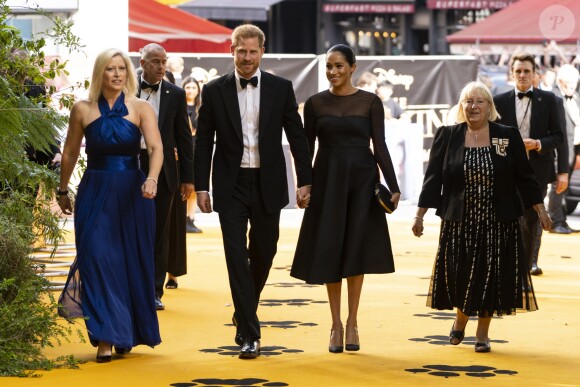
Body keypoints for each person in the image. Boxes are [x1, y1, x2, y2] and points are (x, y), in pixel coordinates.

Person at [194, 24, 313, 359]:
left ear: (262, 51)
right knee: (236, 257)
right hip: (230, 184)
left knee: (265, 252)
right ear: (231, 51)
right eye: (240, 51)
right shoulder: (214, 90)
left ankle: (243, 309)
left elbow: (297, 136)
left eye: (252, 51)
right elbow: (203, 142)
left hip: (268, 182)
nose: (246, 58)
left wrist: (306, 179)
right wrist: (201, 186)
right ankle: (250, 332)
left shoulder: (281, 88)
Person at [412, 81, 551, 353]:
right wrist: (420, 215)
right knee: (462, 276)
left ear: (490, 107)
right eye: (468, 101)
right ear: (461, 107)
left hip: (498, 222)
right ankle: (460, 319)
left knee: (491, 277)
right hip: (459, 222)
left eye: (479, 101)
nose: (473, 106)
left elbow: (525, 178)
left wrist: (541, 210)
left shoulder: (507, 135)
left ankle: (483, 333)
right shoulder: (448, 135)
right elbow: (433, 179)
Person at [291, 44, 400, 354]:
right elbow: (305, 149)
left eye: (339, 66)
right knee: (329, 248)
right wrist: (305, 185)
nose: (333, 71)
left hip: (362, 182)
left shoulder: (370, 102)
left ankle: (352, 321)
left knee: (355, 248)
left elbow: (380, 147)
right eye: (329, 66)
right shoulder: (314, 103)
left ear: (353, 67)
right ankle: (335, 324)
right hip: (327, 180)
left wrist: (393, 185)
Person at [57, 48, 163, 362]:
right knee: (98, 259)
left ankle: (123, 329)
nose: (116, 74)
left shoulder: (141, 107)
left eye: (121, 69)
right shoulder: (82, 109)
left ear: (128, 73)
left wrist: (153, 178)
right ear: (100, 73)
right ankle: (105, 336)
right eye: (110, 69)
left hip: (133, 192)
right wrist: (62, 190)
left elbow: (156, 148)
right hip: (94, 192)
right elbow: (70, 153)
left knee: (128, 261)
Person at [494, 53, 566, 276]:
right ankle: (511, 264)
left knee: (533, 218)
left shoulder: (551, 100)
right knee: (509, 218)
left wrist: (537, 144)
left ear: (535, 74)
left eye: (527, 71)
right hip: (507, 171)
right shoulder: (499, 101)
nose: (522, 75)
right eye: (518, 71)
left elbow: (559, 137)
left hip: (538, 171)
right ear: (512, 73)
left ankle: (528, 264)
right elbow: (492, 136)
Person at [138, 43, 195, 310]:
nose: (162, 66)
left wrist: (188, 177)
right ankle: (131, 286)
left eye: (164, 61)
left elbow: (185, 138)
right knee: (132, 230)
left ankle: (153, 291)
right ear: (142, 63)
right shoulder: (127, 89)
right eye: (155, 61)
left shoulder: (175, 94)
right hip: (129, 166)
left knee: (159, 233)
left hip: (166, 173)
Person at [548, 64, 580, 233]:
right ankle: (555, 221)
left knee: (564, 186)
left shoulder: (575, 97)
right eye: (570, 83)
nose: (573, 86)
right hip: (558, 150)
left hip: (573, 148)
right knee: (557, 186)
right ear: (560, 81)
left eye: (575, 82)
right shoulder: (552, 97)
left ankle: (561, 219)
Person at [182, 76, 203, 234]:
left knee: (196, 186)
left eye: (193, 87)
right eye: (188, 87)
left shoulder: (201, 108)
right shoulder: (179, 105)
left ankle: (191, 218)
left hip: (198, 151)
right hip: (183, 151)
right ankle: (183, 218)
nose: (190, 90)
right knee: (184, 184)